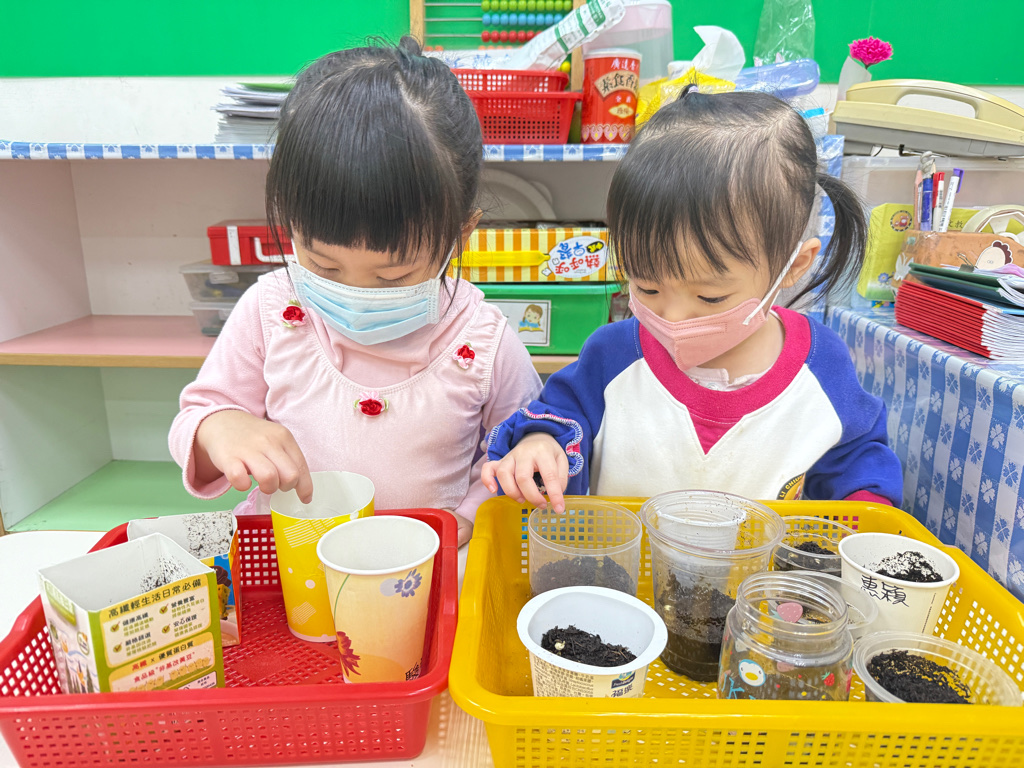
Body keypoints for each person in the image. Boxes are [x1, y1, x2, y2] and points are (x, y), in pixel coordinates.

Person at [170, 38, 541, 545]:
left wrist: (469, 517)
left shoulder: (484, 343)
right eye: (323, 264)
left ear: (460, 234)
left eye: (393, 275)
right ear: (290, 220)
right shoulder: (270, 311)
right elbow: (197, 416)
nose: (355, 292)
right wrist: (222, 429)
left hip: (423, 566)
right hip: (289, 561)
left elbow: (518, 454)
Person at [483, 86, 903, 513]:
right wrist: (539, 445)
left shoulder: (822, 366)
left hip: (760, 559)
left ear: (793, 266)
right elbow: (558, 419)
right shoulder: (612, 356)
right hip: (622, 557)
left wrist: (865, 503)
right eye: (647, 287)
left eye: (710, 296)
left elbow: (856, 459)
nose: (674, 317)